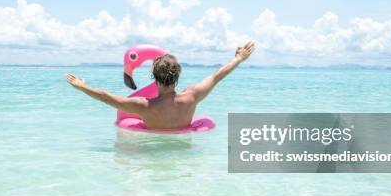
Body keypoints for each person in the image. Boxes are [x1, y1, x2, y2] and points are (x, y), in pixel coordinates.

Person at [65, 41, 255, 129]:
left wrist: (81, 86)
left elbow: (106, 97)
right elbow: (217, 76)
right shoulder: (192, 96)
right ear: (178, 75)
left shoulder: (144, 105)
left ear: (154, 79)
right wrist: (238, 58)